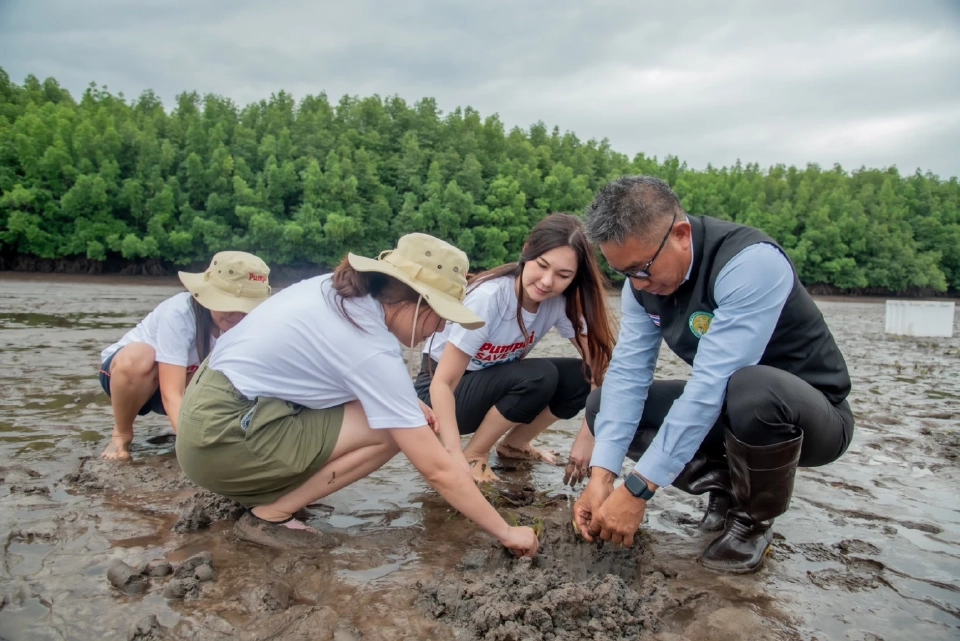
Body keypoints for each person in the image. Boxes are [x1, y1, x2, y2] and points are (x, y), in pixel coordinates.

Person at [175, 233, 540, 556]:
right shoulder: (368, 344)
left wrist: (407, 407)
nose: (443, 327)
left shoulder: (333, 292)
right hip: (220, 440)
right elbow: (437, 470)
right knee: (396, 430)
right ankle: (270, 515)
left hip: (209, 414)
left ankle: (264, 488)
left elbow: (321, 371)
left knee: (409, 415)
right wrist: (507, 531)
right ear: (415, 304)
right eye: (441, 315)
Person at [572, 176, 854, 574]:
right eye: (626, 274)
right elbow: (628, 376)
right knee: (602, 406)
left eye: (643, 270)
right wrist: (602, 476)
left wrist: (638, 489)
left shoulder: (750, 263)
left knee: (751, 387)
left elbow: (710, 386)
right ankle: (726, 490)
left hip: (810, 417)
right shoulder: (641, 285)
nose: (638, 284)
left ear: (682, 234)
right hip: (728, 405)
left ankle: (752, 522)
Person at [415, 213, 616, 483]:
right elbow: (443, 382)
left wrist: (588, 436)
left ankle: (515, 445)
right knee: (539, 374)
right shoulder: (491, 298)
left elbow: (599, 365)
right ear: (526, 252)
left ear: (575, 278)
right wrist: (453, 454)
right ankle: (475, 454)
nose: (547, 282)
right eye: (542, 265)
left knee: (580, 378)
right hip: (438, 396)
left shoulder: (560, 302)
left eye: (563, 275)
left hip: (487, 383)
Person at [98, 251, 271, 461]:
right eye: (230, 305)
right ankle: (121, 434)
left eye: (246, 308)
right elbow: (171, 393)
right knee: (140, 356)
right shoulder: (179, 312)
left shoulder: (250, 325)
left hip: (190, 379)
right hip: (131, 378)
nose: (237, 315)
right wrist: (196, 454)